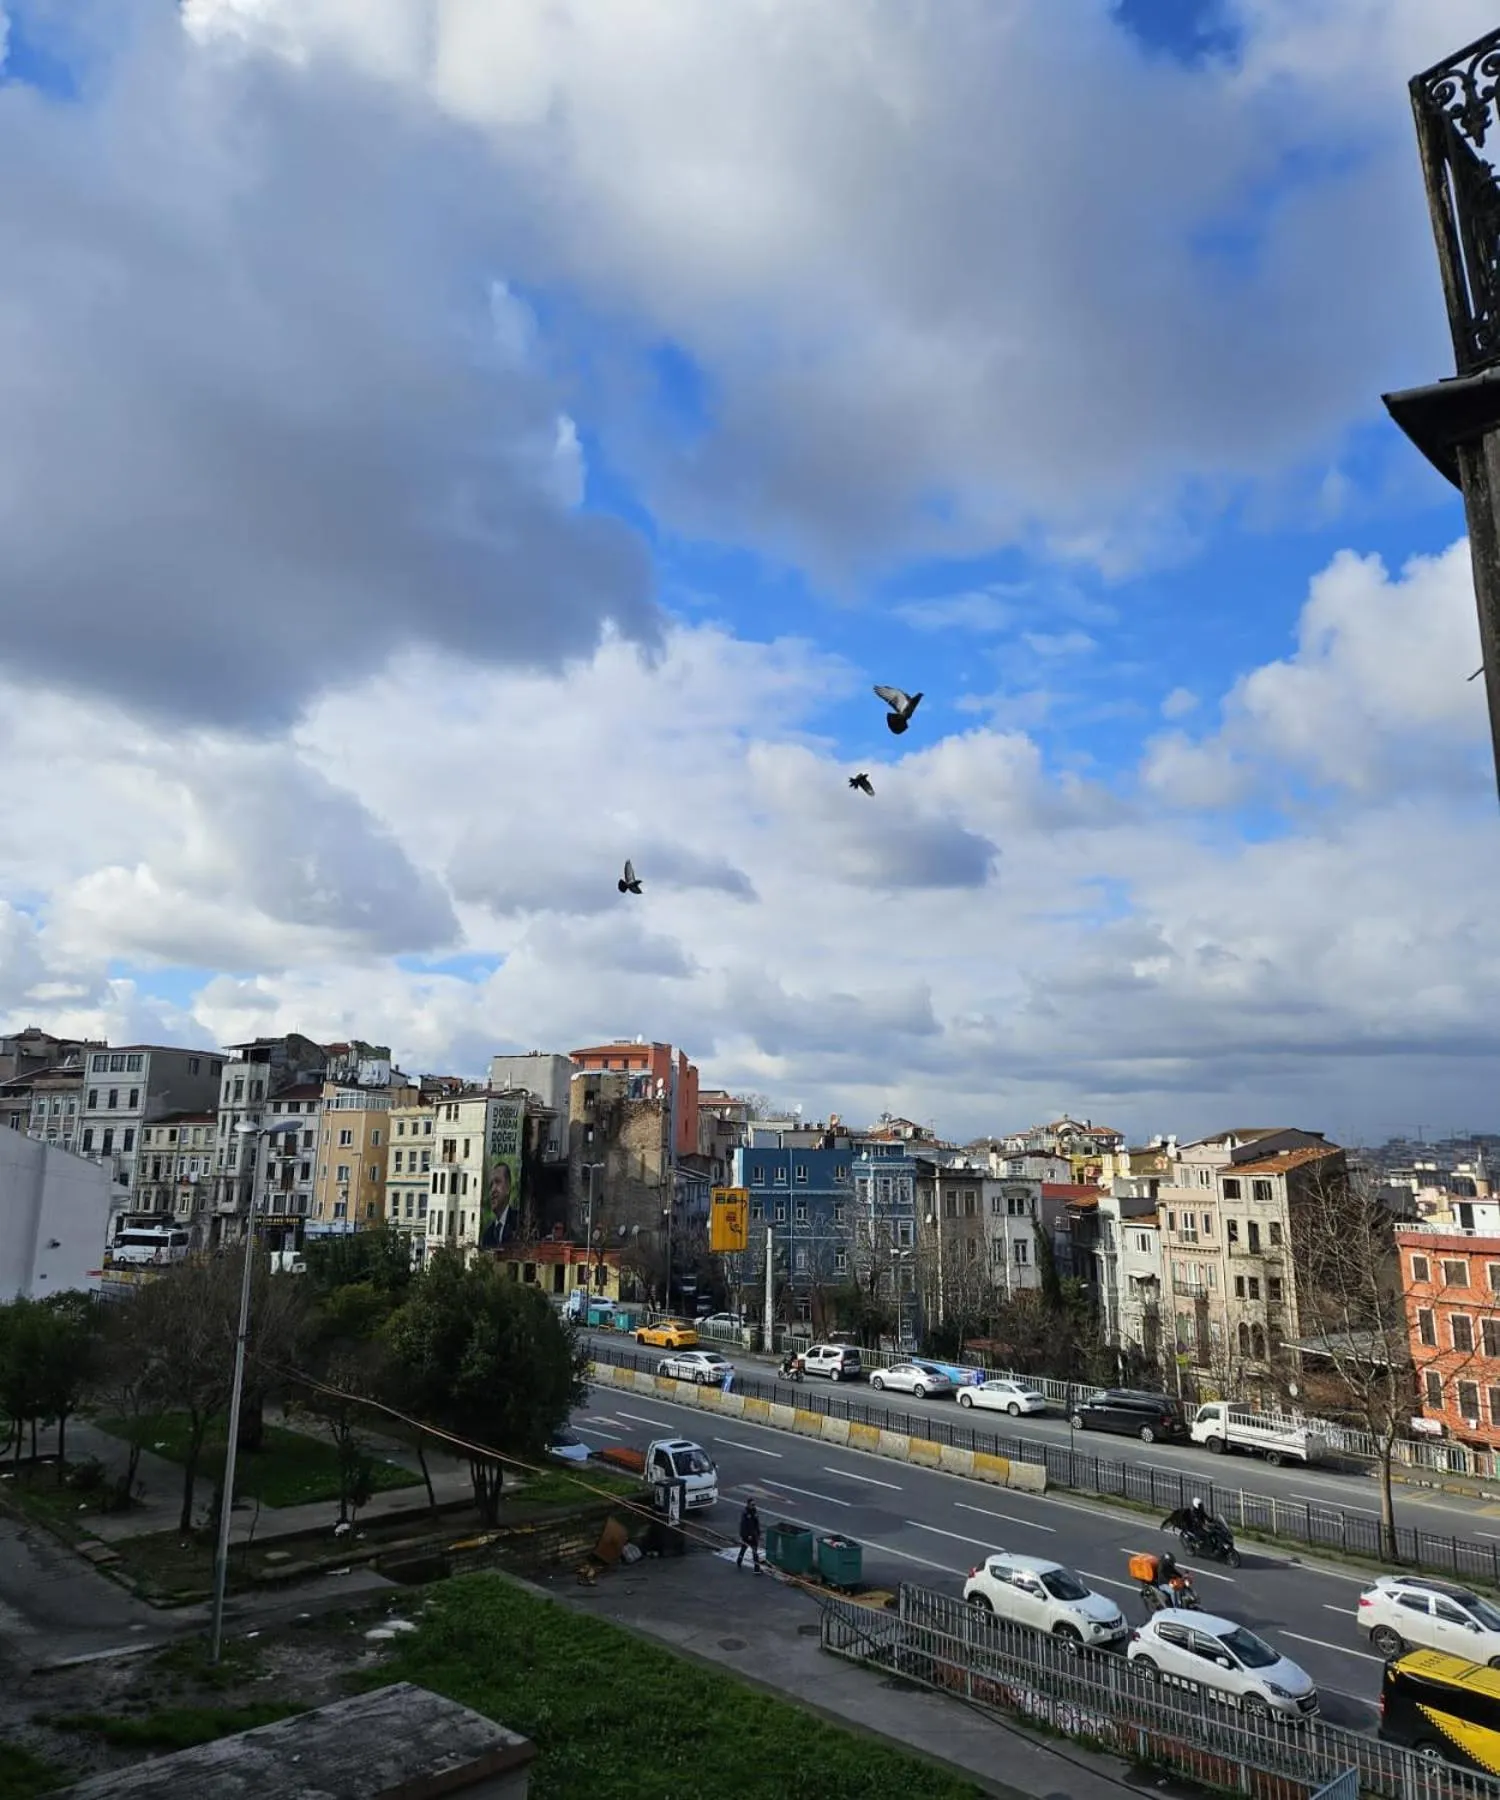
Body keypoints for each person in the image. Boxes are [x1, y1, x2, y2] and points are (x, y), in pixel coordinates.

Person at [737, 1497, 762, 1572]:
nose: (753, 1506)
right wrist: (749, 1535)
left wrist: (758, 1532)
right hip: (749, 1535)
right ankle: (757, 1569)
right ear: (748, 1504)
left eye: (754, 1504)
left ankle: (739, 1560)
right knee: (754, 1552)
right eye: (752, 1504)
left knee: (744, 1548)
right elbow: (746, 1525)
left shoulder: (754, 1512)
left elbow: (756, 1523)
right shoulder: (746, 1514)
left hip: (752, 1534)